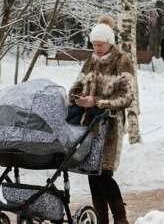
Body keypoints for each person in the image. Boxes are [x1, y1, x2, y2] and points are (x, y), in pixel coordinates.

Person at [68, 15, 134, 224]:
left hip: (110, 125)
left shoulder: (122, 60)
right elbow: (77, 84)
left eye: (100, 44)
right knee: (91, 173)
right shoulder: (91, 60)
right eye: (94, 44)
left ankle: (120, 219)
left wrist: (96, 102)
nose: (96, 48)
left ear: (109, 42)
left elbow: (127, 96)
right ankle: (102, 220)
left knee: (104, 174)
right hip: (89, 125)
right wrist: (75, 98)